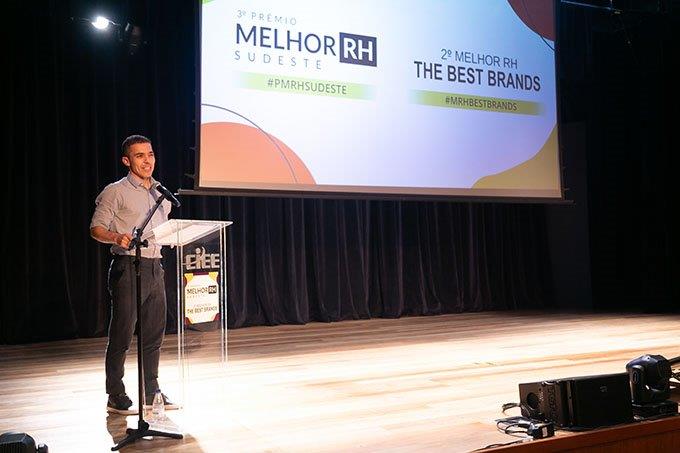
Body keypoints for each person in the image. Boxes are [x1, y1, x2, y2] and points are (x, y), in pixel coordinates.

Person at [90, 134, 178, 415]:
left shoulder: (161, 194)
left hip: (155, 267)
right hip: (128, 266)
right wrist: (117, 237)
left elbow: (161, 232)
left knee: (154, 335)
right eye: (140, 156)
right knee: (122, 335)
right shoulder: (115, 191)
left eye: (150, 154)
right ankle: (115, 394)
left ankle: (152, 392)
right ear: (127, 161)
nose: (147, 160)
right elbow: (96, 228)